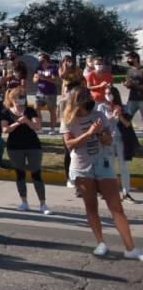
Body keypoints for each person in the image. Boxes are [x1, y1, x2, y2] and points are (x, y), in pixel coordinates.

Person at [61, 87, 142, 260]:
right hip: (82, 167)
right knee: (91, 207)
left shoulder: (99, 116)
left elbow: (108, 140)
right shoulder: (68, 120)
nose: (90, 101)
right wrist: (89, 133)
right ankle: (100, 243)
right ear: (77, 101)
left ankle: (130, 248)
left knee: (116, 207)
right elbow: (69, 145)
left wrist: (100, 133)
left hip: (102, 164)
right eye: (86, 99)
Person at [2, 87, 50, 215]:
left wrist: (27, 121)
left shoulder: (30, 110)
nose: (21, 100)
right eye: (19, 97)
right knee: (20, 173)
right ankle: (24, 202)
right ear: (12, 99)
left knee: (36, 173)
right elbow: (5, 130)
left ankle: (43, 204)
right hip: (15, 147)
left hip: (32, 145)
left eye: (23, 97)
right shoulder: (6, 112)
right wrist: (17, 123)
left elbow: (38, 126)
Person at [99, 86, 136, 203]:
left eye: (109, 93)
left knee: (123, 167)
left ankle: (126, 193)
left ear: (115, 94)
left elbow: (127, 124)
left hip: (121, 140)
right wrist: (111, 116)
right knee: (109, 166)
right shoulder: (101, 107)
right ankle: (109, 192)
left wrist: (120, 114)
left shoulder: (124, 107)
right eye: (106, 93)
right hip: (108, 140)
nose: (108, 95)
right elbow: (101, 124)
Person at [33, 54, 60, 134]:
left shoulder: (53, 68)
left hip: (51, 93)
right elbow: (34, 80)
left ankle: (52, 129)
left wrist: (44, 78)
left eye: (41, 59)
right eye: (39, 59)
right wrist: (37, 78)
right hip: (39, 92)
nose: (39, 60)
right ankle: (39, 127)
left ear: (46, 59)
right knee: (36, 108)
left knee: (52, 111)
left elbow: (55, 81)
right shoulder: (38, 68)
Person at [124, 51, 143, 130]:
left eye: (129, 59)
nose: (128, 60)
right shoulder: (129, 71)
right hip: (132, 99)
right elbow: (128, 84)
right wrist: (127, 85)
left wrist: (133, 85)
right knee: (126, 118)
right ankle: (129, 138)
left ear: (135, 58)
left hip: (142, 99)